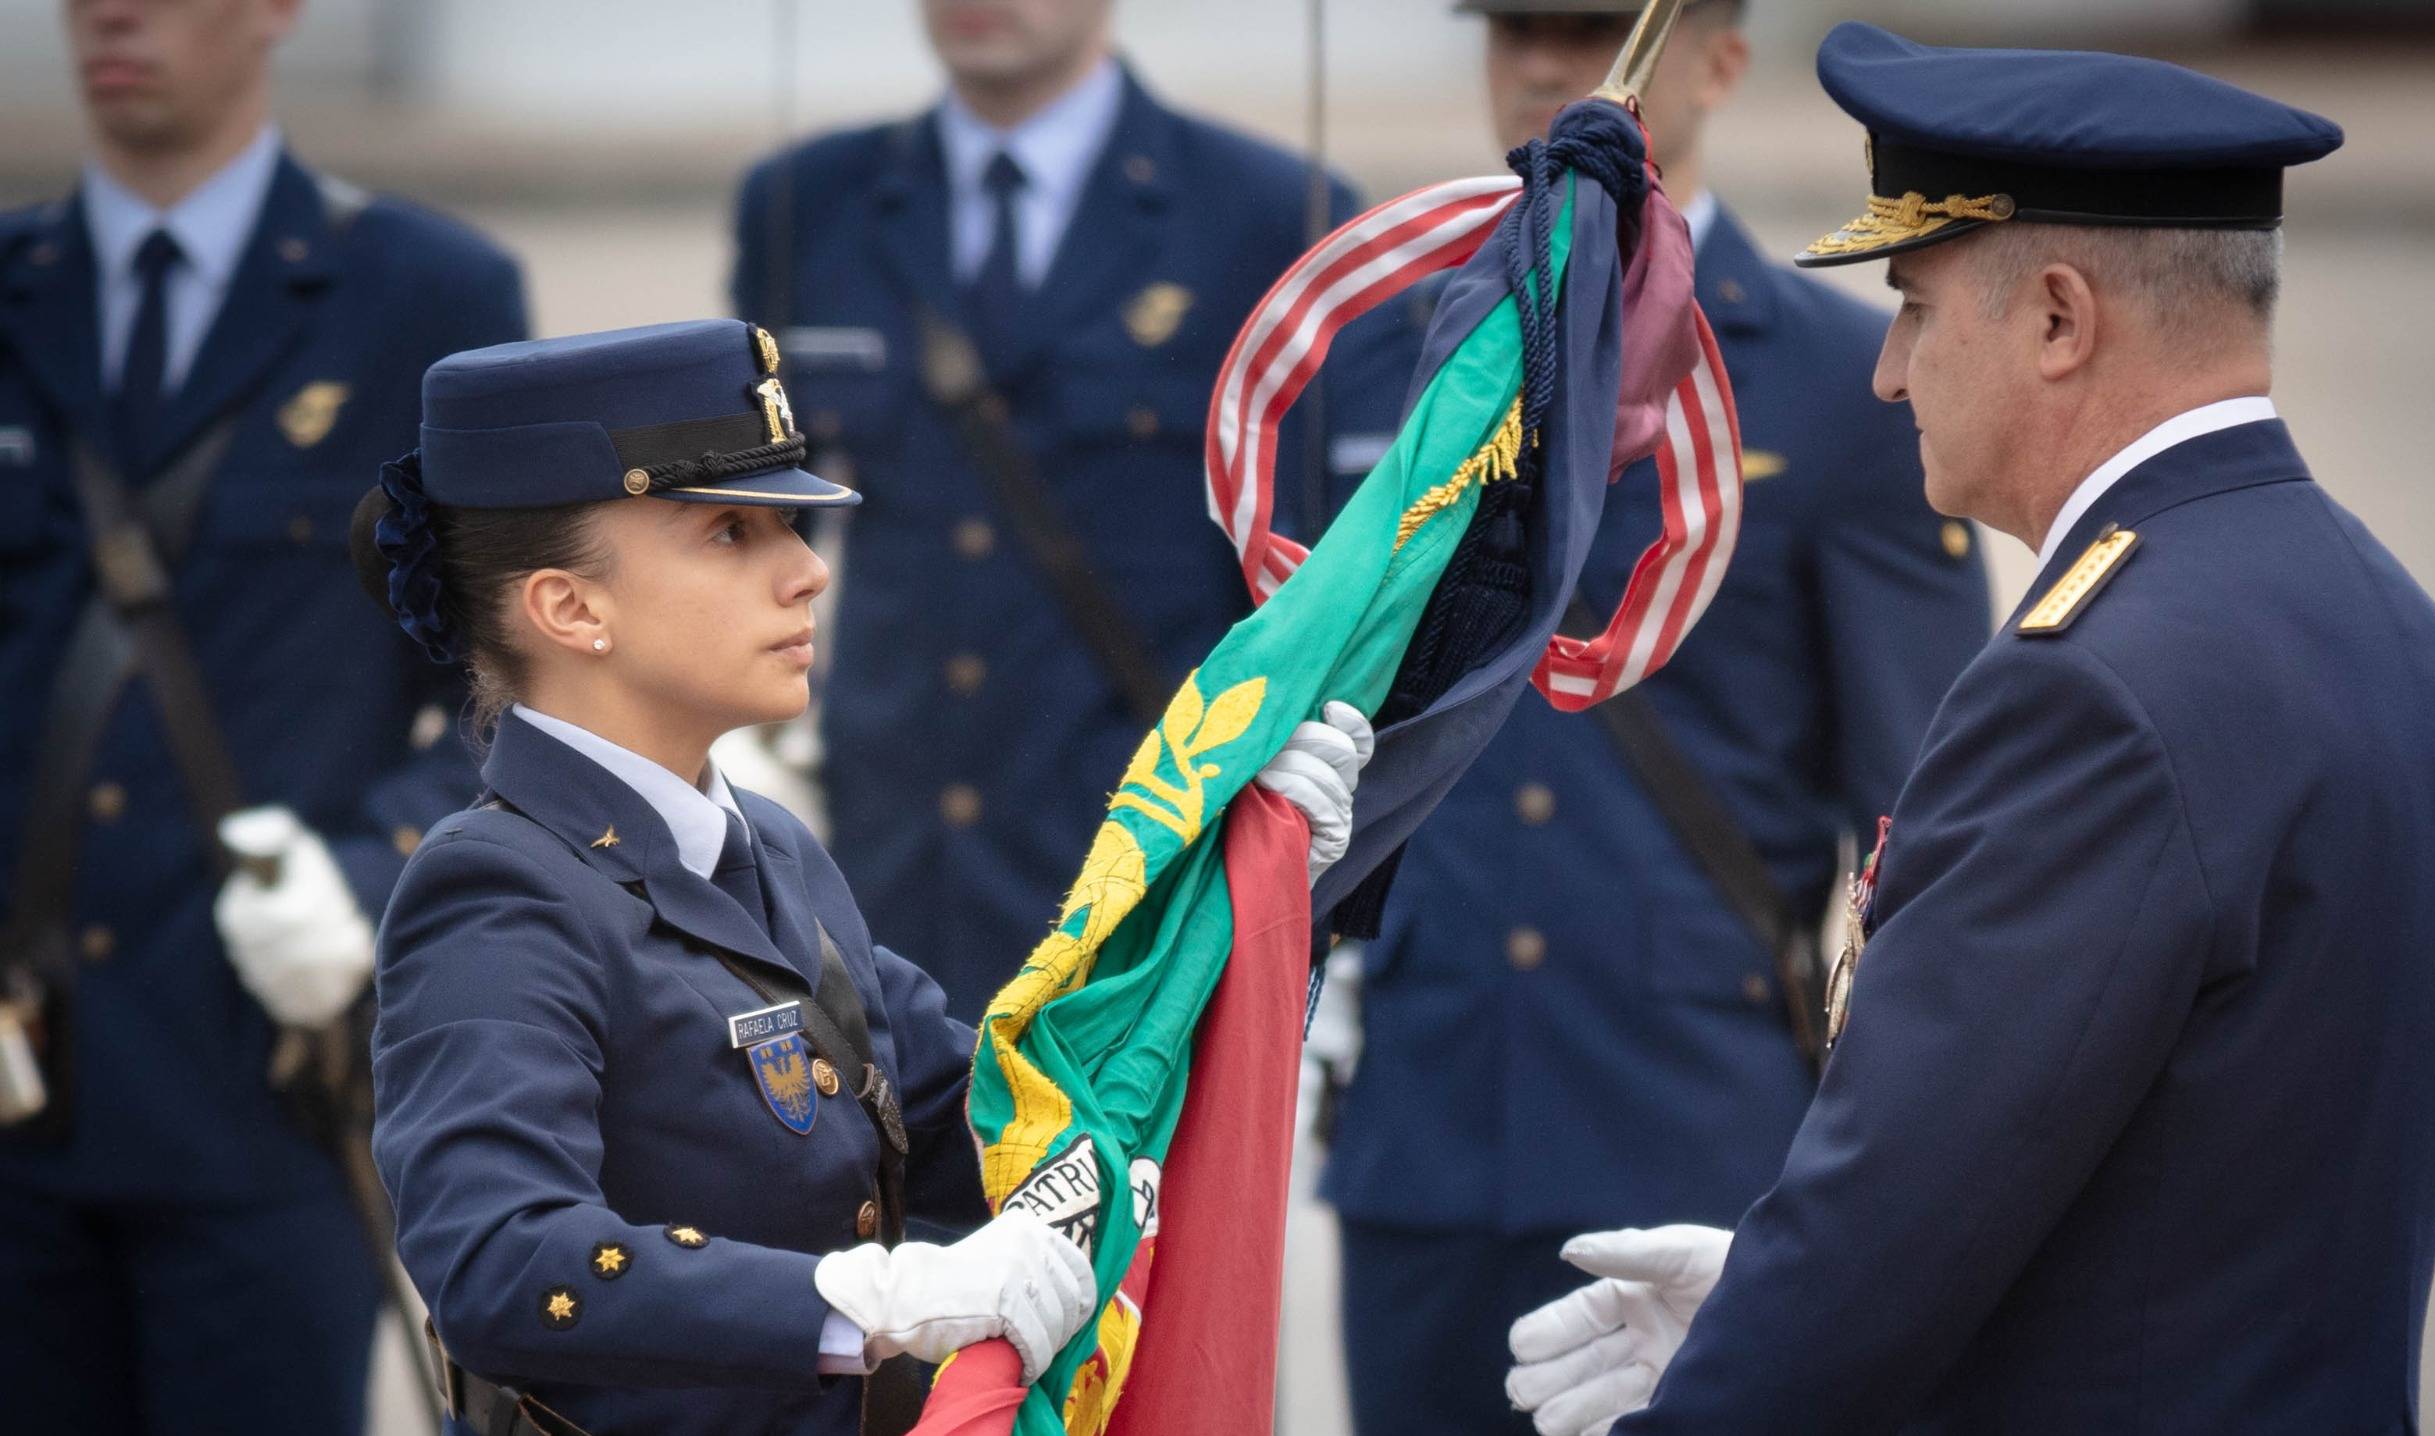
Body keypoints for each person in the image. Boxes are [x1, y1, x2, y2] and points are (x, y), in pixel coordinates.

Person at [1504, 23, 2435, 1435]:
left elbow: (1902, 1209)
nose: (1886, 372)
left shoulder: (2092, 688)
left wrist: (1754, 1357)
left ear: (2058, 319)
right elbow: (2175, 1177)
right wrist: (1767, 1289)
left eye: (1917, 307)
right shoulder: (2398, 637)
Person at [356, 318, 1371, 1434]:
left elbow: (1001, 1117)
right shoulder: (498, 891)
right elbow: (500, 1259)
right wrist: (862, 1300)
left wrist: (1235, 908)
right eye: (731, 533)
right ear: (571, 607)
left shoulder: (766, 848)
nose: (803, 573)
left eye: (789, 527)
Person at [1307, 6, 1992, 1431]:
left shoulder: (1835, 379)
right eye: (1519, 31)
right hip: (1425, 1129)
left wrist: (1891, 1178)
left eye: (1596, 30)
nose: (1557, 69)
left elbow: (1923, 824)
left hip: (1688, 1129)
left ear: (1724, 58)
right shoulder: (1392, 357)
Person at [0, 0, 526, 1428]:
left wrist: (371, 879)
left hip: (260, 1086)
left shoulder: (424, 296)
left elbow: (519, 679)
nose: (110, 16)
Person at [728, 0, 1416, 1025]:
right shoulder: (809, 202)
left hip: (1143, 891)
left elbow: (1342, 586)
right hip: (882, 885)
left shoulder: (1270, 212)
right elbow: (741, 519)